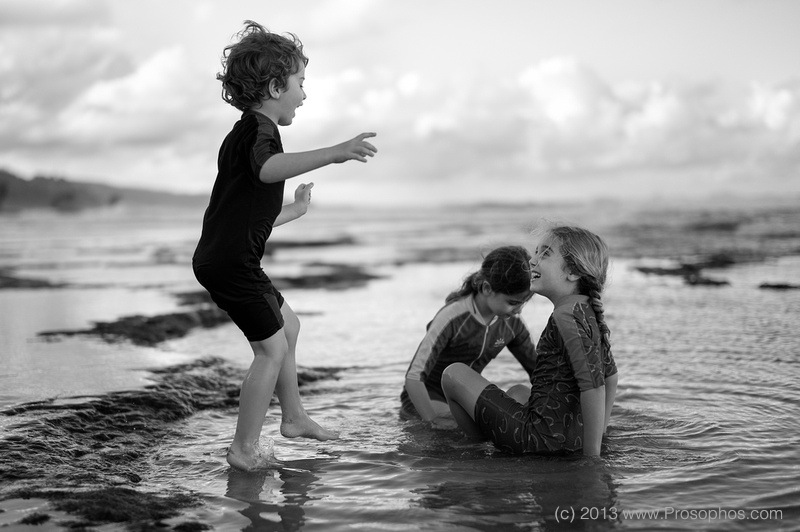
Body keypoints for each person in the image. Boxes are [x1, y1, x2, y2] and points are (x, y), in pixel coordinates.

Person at [192, 21, 378, 471]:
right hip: (232, 264)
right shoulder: (259, 133)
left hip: (230, 257)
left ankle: (293, 418)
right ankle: (243, 448)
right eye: (300, 83)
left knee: (288, 326)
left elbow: (249, 216)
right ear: (276, 87)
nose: (304, 94)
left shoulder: (244, 134)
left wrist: (293, 210)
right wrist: (334, 152)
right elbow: (267, 168)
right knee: (271, 350)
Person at [441, 225, 618, 456]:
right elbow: (610, 376)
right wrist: (600, 433)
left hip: (539, 439)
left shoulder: (565, 316)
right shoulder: (587, 309)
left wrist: (592, 457)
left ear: (573, 272)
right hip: (570, 435)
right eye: (535, 252)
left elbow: (593, 387)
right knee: (518, 392)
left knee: (453, 374)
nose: (532, 261)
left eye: (545, 253)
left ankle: (478, 448)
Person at [401, 246, 538, 428]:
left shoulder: (512, 324)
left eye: (523, 304)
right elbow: (414, 377)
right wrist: (432, 420)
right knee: (461, 426)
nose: (518, 310)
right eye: (512, 302)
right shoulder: (452, 317)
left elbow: (538, 371)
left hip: (465, 399)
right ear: (487, 288)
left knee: (521, 394)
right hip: (428, 397)